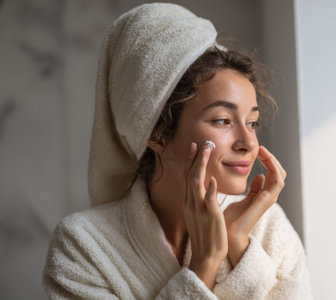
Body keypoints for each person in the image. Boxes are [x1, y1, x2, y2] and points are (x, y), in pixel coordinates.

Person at [43, 3, 313, 299]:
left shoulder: (268, 227)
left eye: (252, 122)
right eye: (222, 120)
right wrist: (205, 263)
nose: (248, 143)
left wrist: (239, 244)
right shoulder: (83, 246)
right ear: (157, 134)